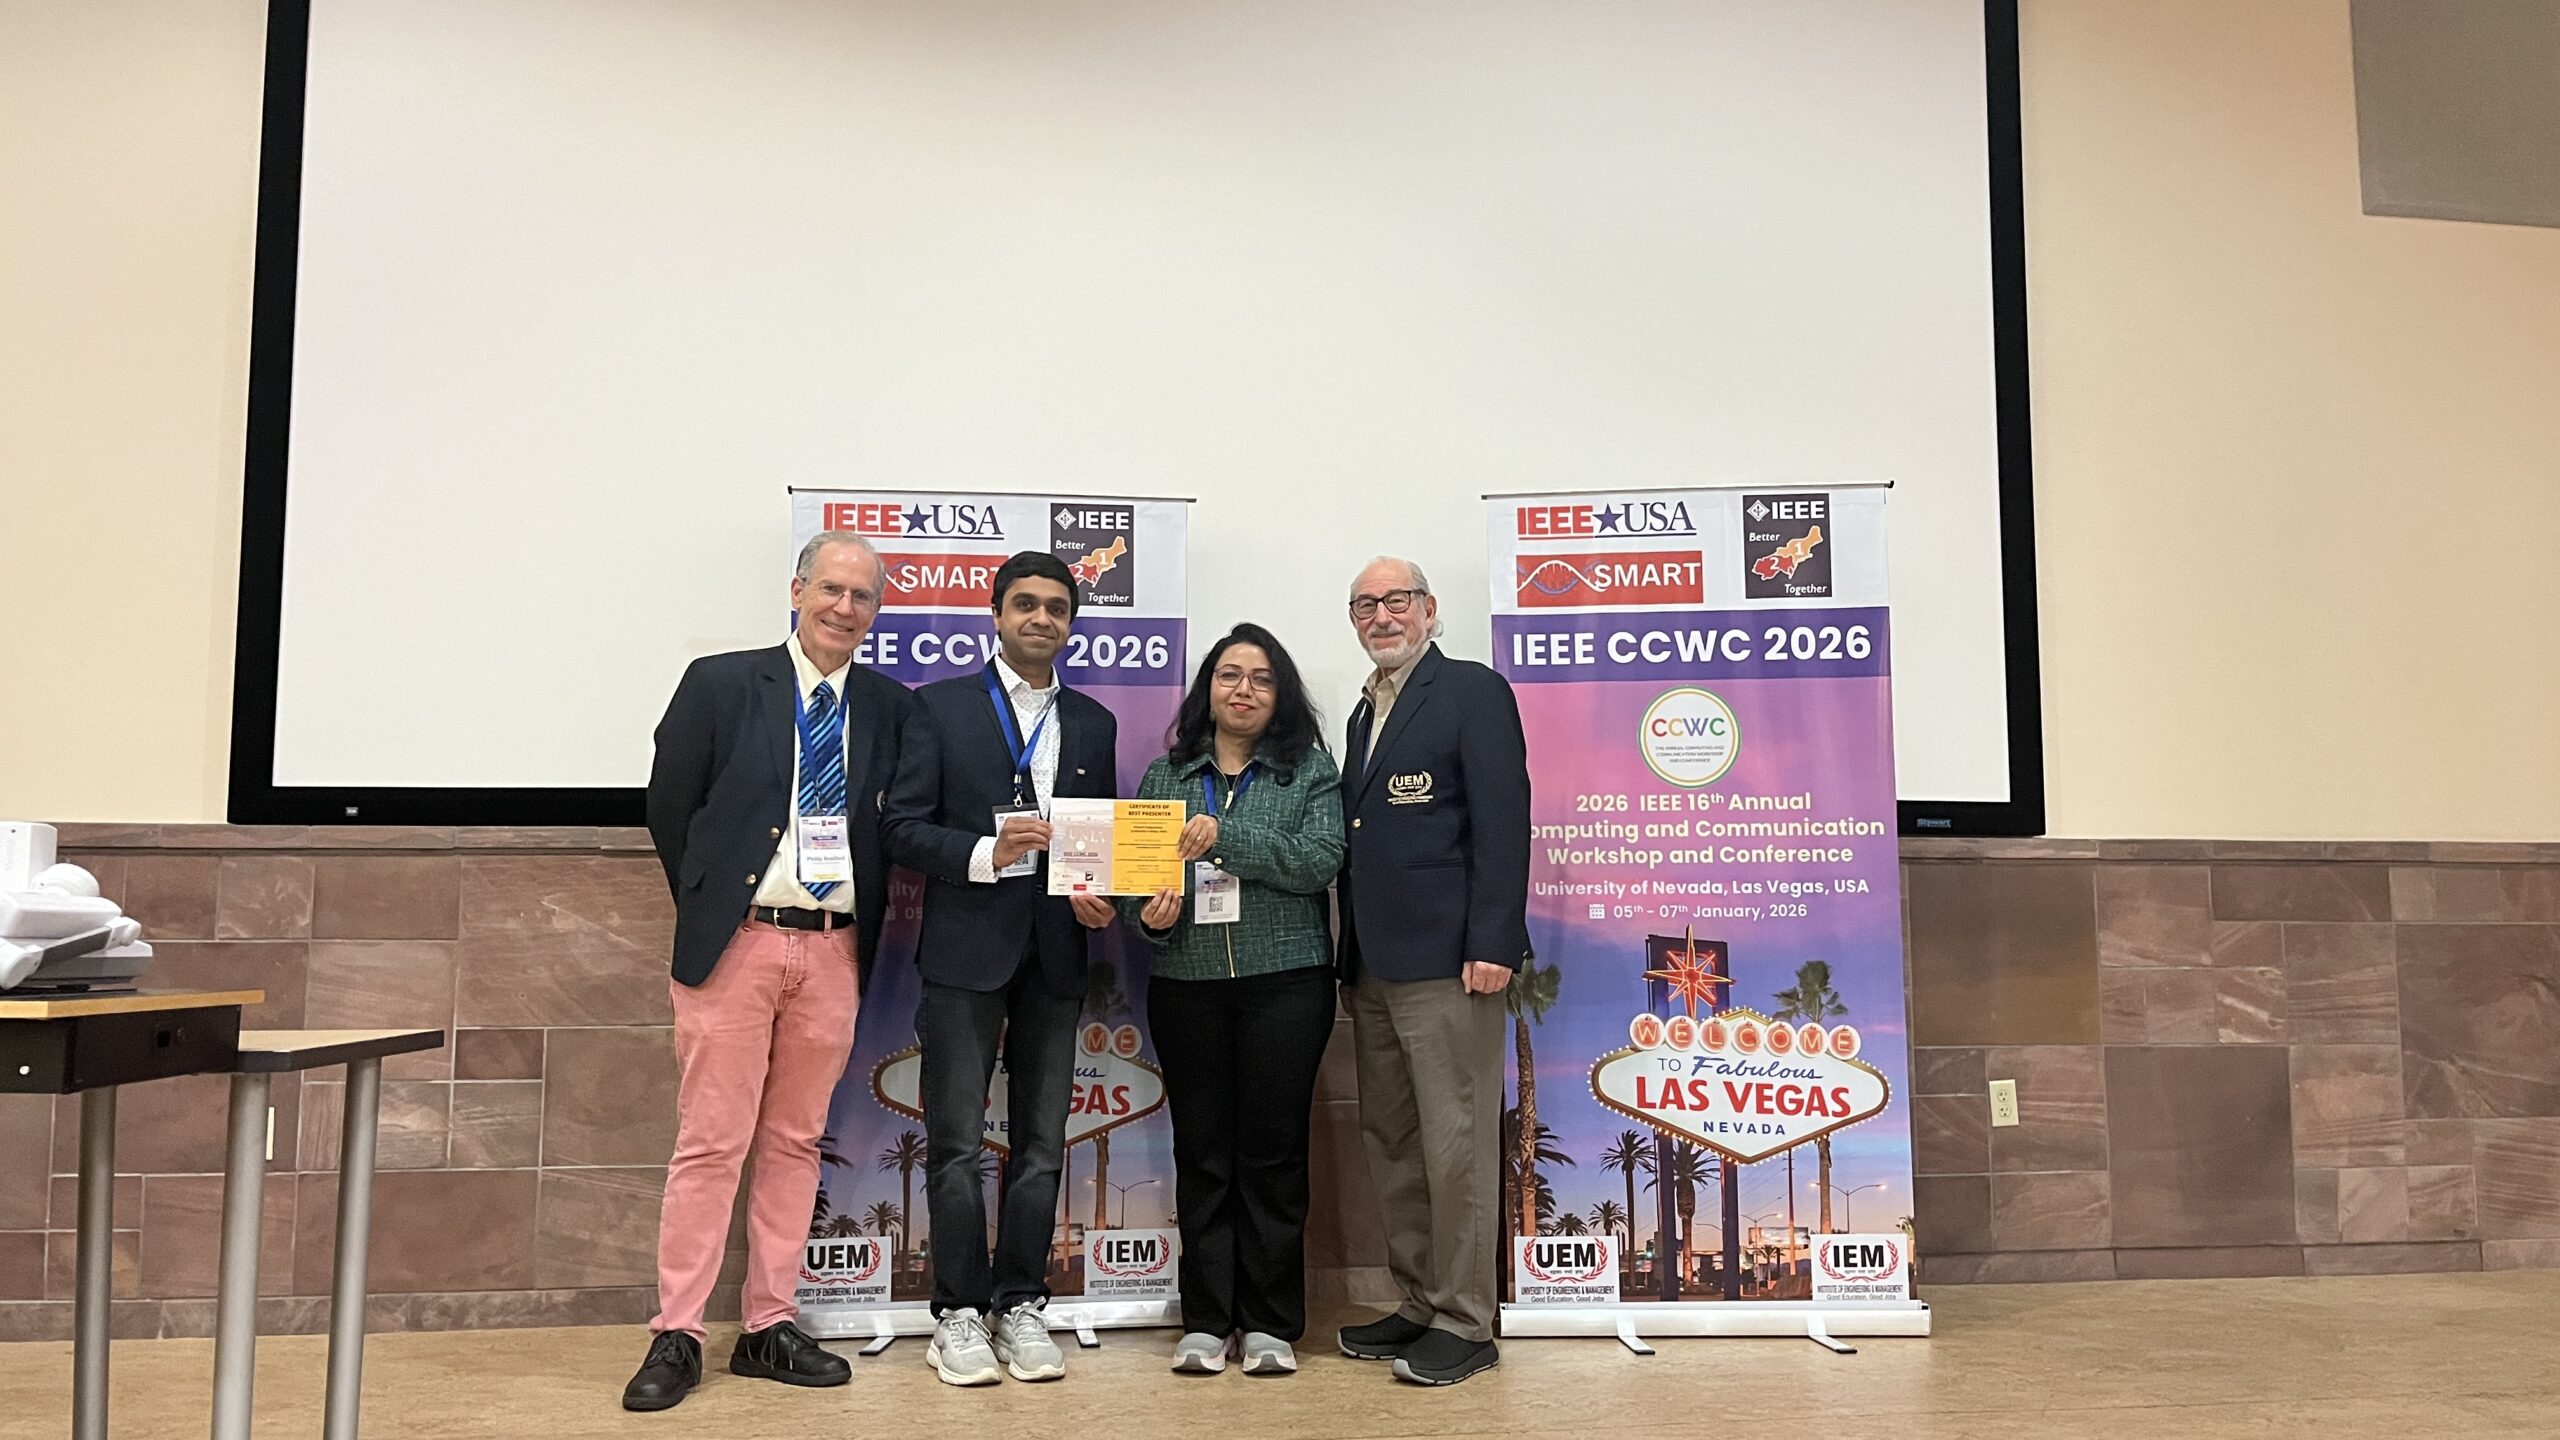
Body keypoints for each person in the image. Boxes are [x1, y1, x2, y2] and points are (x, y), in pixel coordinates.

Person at [626, 531, 916, 1411]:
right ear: (797, 592)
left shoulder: (889, 707)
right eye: (831, 589)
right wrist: (717, 906)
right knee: (710, 1143)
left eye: (863, 597)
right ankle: (678, 1332)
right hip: (740, 944)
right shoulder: (721, 683)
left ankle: (768, 1325)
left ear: (876, 612)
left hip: (833, 950)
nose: (844, 608)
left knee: (794, 1143)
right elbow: (671, 808)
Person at [882, 550, 1120, 1386]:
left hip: (1056, 952)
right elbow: (901, 827)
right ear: (996, 613)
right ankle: (956, 1311)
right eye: (1026, 604)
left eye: (1057, 607)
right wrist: (989, 850)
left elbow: (1099, 836)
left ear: (1071, 622)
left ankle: (1021, 1303)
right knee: (954, 1144)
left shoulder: (1093, 721)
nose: (1042, 618)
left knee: (1043, 1144)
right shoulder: (940, 706)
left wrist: (1101, 895)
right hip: (964, 950)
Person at [1116, 624, 1345, 1378]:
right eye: (1229, 675)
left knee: (1273, 1153)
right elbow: (1135, 892)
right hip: (1187, 987)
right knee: (1202, 1152)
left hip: (1287, 984)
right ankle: (1208, 1321)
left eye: (1261, 678)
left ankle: (1272, 1323)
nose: (1243, 689)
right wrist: (1149, 920)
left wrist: (1226, 839)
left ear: (1281, 695)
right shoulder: (1165, 776)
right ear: (1207, 689)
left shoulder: (1307, 770)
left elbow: (1319, 862)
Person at [1331, 556, 1531, 1387]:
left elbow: (1503, 822)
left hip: (1453, 963)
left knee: (1456, 1145)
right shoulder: (1363, 710)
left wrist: (1494, 942)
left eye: (1397, 600)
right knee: (1395, 1139)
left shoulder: (1472, 691)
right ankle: (1420, 1302)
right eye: (1365, 605)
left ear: (1428, 607)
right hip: (1374, 965)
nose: (1382, 616)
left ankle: (1466, 1321)